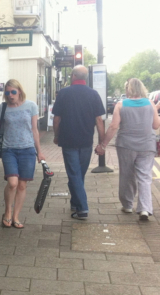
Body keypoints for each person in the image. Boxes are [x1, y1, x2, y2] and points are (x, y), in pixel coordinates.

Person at [0, 79, 46, 229]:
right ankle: (7, 212)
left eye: (13, 92)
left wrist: (39, 152)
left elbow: (35, 130)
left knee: (22, 185)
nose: (10, 95)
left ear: (19, 91)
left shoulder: (31, 106)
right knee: (12, 183)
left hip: (28, 150)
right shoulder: (3, 108)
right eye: (7, 93)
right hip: (9, 150)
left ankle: (16, 216)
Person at [96, 78, 160, 221]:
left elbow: (113, 127)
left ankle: (128, 205)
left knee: (127, 174)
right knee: (144, 177)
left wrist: (103, 145)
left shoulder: (121, 105)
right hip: (147, 146)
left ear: (128, 90)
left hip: (126, 145)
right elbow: (156, 126)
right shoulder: (150, 104)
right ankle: (145, 208)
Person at [51, 65, 106, 220]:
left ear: (73, 76)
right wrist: (101, 143)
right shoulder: (93, 94)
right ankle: (75, 202)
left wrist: (57, 135)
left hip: (68, 141)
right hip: (86, 141)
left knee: (74, 174)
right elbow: (99, 121)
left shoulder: (63, 93)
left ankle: (82, 209)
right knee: (78, 174)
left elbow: (56, 119)